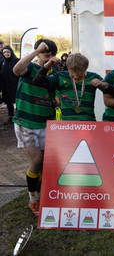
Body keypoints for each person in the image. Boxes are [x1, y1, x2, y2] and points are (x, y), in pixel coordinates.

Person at [12, 38, 58, 216]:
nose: (47, 57)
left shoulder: (54, 73)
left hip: (46, 122)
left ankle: (42, 195)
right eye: (44, 53)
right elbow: (16, 70)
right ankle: (33, 199)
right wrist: (36, 51)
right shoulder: (29, 67)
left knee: (45, 164)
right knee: (36, 161)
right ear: (38, 53)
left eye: (50, 54)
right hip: (26, 122)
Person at [33, 52, 108, 121]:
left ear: (85, 68)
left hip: (88, 124)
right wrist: (46, 67)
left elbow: (112, 91)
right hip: (67, 126)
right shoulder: (61, 76)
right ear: (68, 68)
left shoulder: (92, 77)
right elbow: (37, 82)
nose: (75, 75)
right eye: (72, 72)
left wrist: (104, 85)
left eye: (80, 72)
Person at [0, 45, 20, 125]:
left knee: (17, 102)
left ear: (11, 52)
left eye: (8, 52)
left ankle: (19, 118)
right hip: (5, 86)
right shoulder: (2, 62)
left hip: (15, 85)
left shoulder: (16, 60)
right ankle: (11, 118)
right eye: (4, 52)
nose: (6, 53)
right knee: (8, 102)